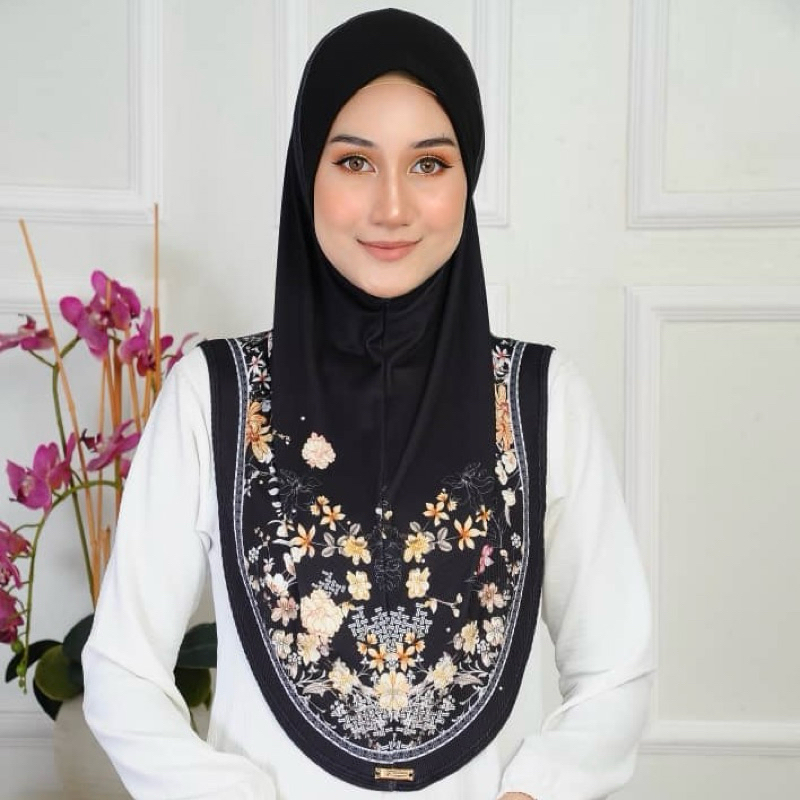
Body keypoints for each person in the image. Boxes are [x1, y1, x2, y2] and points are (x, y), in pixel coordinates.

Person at [83, 9, 653, 800]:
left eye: (429, 164)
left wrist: (539, 791)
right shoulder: (212, 397)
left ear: (467, 180)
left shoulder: (542, 400)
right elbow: (121, 670)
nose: (392, 207)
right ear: (306, 173)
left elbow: (616, 667)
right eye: (354, 162)